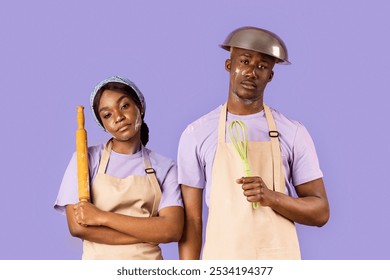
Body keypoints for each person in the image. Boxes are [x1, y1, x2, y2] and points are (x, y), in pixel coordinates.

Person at [177, 27, 330, 260]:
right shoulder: (196, 133)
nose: (251, 72)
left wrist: (272, 197)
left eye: (262, 66)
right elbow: (192, 221)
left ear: (270, 75)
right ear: (229, 65)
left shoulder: (293, 132)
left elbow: (320, 212)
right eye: (244, 61)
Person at [54, 76, 183, 260]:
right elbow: (77, 227)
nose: (119, 117)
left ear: (140, 106)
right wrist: (148, 233)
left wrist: (101, 217)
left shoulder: (165, 167)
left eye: (124, 106)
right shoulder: (85, 159)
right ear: (103, 124)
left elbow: (172, 230)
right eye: (107, 115)